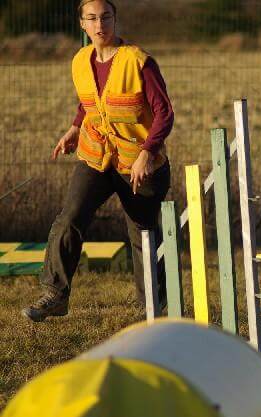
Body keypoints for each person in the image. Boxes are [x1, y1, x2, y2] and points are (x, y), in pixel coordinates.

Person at [22, 0, 174, 322]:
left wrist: (147, 152)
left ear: (115, 20)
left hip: (138, 164)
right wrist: (75, 128)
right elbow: (89, 101)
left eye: (105, 17)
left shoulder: (138, 61)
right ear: (82, 25)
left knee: (143, 234)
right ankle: (55, 294)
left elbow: (165, 113)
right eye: (91, 18)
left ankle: (154, 310)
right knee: (69, 218)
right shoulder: (79, 60)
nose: (99, 24)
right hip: (96, 156)